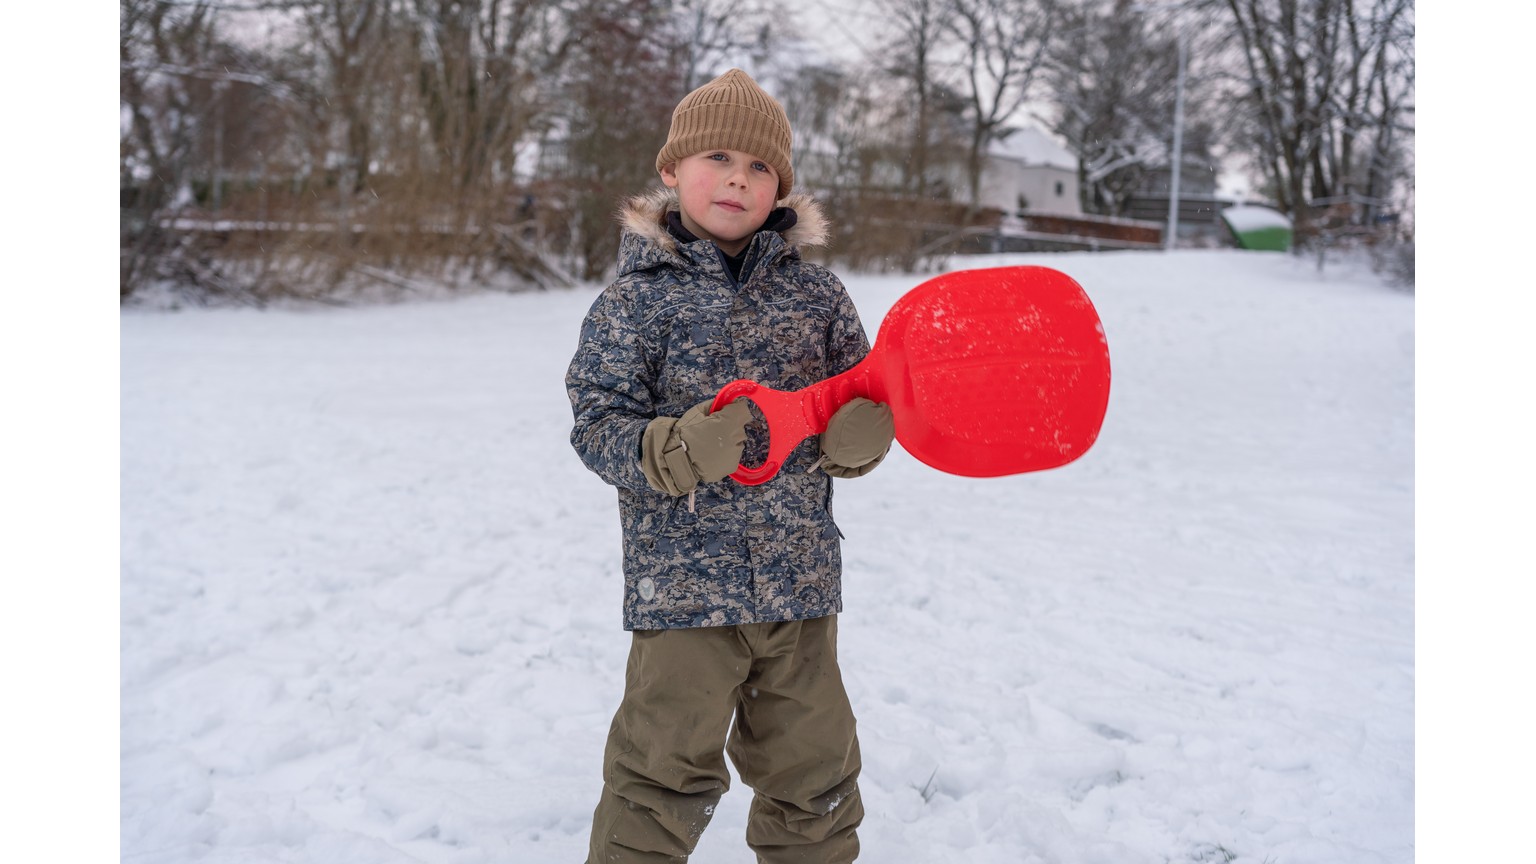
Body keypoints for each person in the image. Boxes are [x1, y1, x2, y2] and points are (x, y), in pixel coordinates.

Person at [565, 68, 895, 864]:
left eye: (759, 168)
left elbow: (854, 402)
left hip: (800, 585)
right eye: (719, 158)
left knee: (813, 774)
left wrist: (860, 442)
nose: (738, 180)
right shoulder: (634, 303)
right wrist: (671, 450)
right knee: (658, 777)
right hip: (682, 588)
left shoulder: (819, 297)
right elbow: (597, 424)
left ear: (779, 187)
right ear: (672, 171)